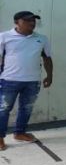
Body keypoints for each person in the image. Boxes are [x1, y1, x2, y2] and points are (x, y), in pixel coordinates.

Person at [0, 11, 54, 150]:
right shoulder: (4, 37)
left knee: (26, 108)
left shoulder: (42, 39)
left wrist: (49, 75)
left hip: (32, 81)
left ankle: (20, 133)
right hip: (9, 80)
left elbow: (47, 58)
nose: (32, 23)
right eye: (27, 20)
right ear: (17, 22)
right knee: (3, 109)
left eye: (34, 20)